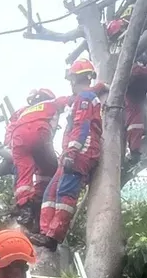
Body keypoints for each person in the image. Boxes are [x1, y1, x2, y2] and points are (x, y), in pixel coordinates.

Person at [39, 59, 104, 246]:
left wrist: (72, 152)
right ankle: (45, 232)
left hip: (80, 153)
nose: (70, 84)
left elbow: (81, 126)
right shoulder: (85, 97)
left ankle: (53, 237)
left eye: (71, 80)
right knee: (50, 193)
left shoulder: (84, 98)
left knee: (64, 195)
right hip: (71, 153)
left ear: (75, 79)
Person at [5, 88, 67, 230]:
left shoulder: (22, 111)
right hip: (40, 136)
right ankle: (40, 199)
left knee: (23, 176)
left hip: (19, 140)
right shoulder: (52, 103)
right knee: (49, 170)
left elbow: (10, 127)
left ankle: (25, 207)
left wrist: (10, 144)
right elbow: (75, 98)